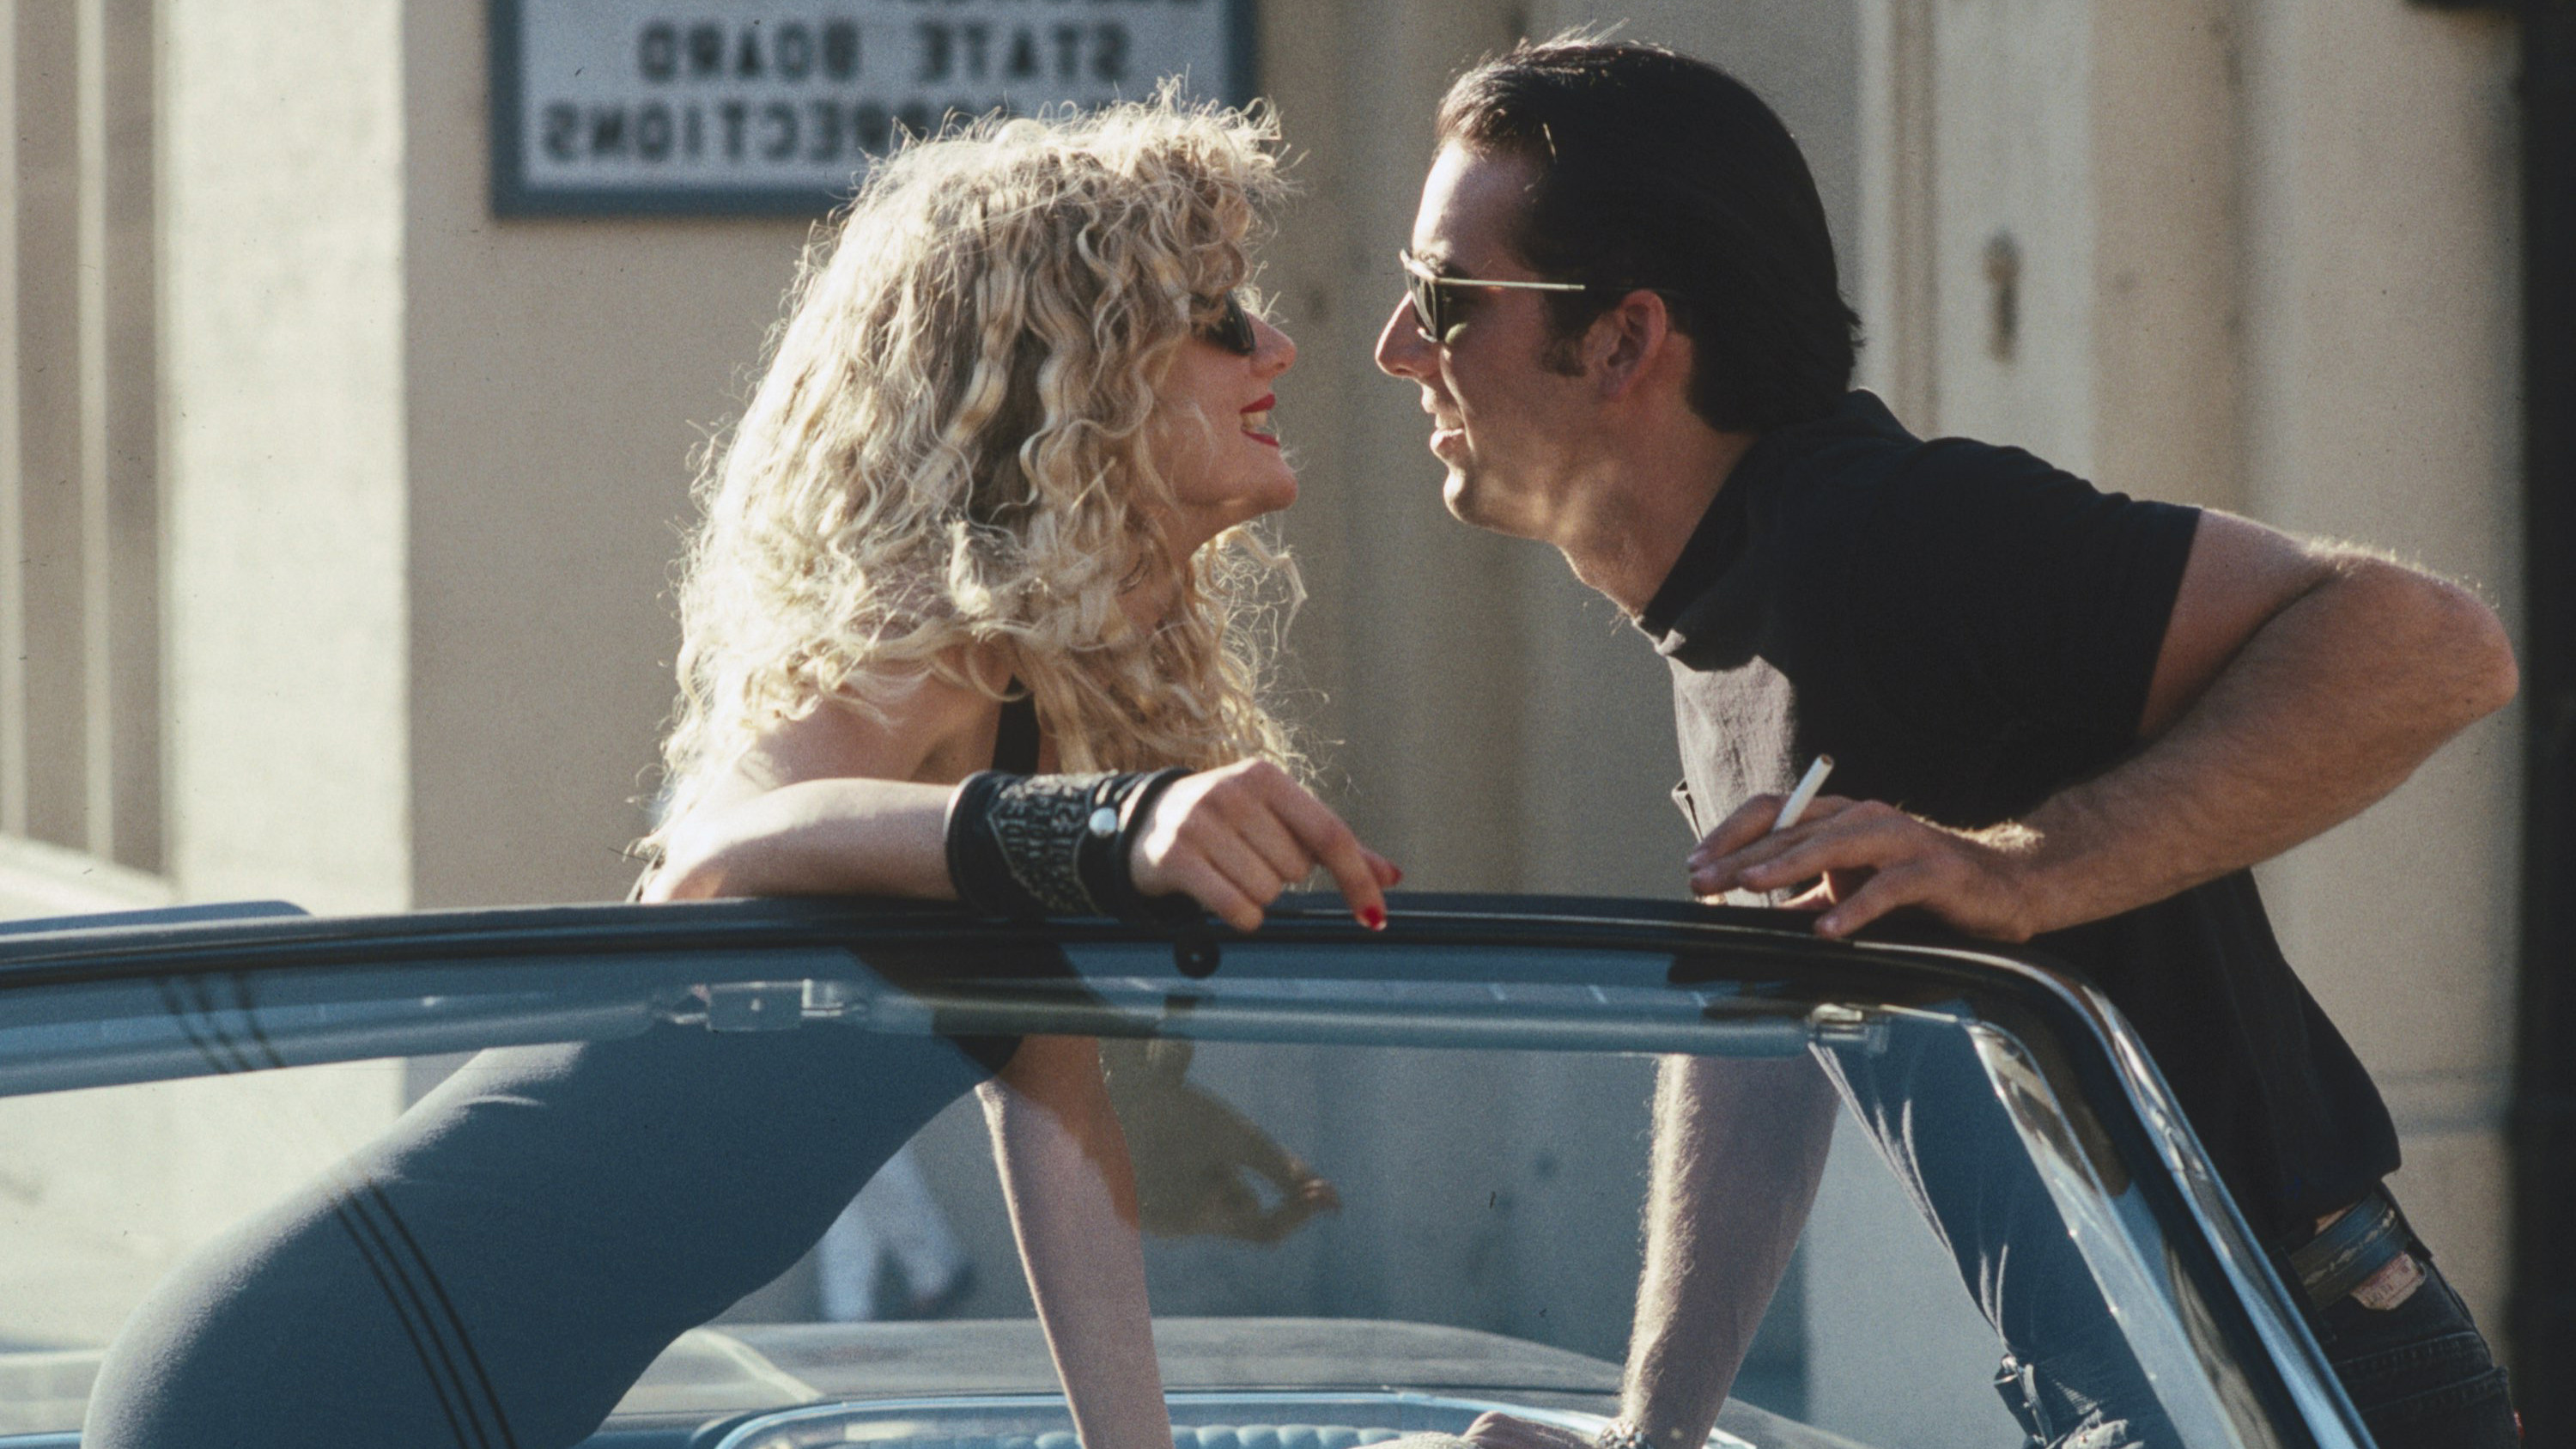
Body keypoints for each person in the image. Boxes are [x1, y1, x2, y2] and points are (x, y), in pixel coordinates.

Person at [85, 99, 1396, 1449]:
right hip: (305, 1365)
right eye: (1218, 316)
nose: (1277, 346)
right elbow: (718, 849)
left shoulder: (1038, 703)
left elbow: (1061, 1137)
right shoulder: (919, 641)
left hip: (458, 1394)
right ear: (1077, 370)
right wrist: (1099, 828)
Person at [1371, 38, 2519, 1449]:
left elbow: (2433, 644)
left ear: (1624, 339)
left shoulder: (1897, 533)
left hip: (2294, 1368)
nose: (1398, 346)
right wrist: (1650, 1436)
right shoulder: (1723, 605)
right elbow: (1759, 1053)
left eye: (1445, 296)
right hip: (2139, 1386)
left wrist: (2026, 871)